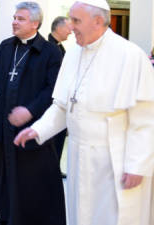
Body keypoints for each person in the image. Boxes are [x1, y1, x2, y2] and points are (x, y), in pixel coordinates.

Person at [13, 1, 154, 225]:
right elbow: (62, 105)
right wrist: (37, 129)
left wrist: (137, 165)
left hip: (114, 159)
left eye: (76, 20)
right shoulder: (73, 54)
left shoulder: (130, 56)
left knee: (113, 217)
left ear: (98, 21)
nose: (70, 26)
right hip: (79, 156)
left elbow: (145, 119)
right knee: (82, 215)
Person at [0, 2, 66, 225]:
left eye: (20, 19)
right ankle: (5, 216)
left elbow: (52, 90)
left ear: (35, 23)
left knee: (28, 178)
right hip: (5, 124)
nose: (14, 22)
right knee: (5, 173)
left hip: (32, 128)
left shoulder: (49, 52)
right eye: (14, 17)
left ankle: (27, 219)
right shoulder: (7, 46)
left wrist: (30, 111)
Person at [48, 16, 72, 178]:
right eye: (68, 27)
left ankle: (54, 167)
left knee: (59, 138)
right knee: (53, 138)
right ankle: (50, 169)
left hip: (61, 100)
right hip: (52, 101)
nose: (70, 30)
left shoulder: (59, 47)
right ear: (58, 27)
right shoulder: (50, 48)